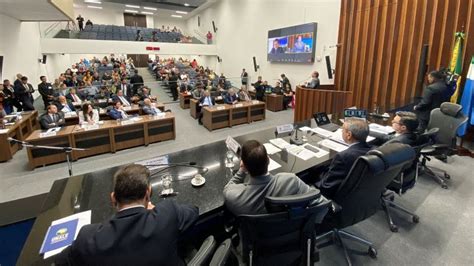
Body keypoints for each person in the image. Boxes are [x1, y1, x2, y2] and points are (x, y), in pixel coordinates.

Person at [55, 164, 199, 265]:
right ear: (148, 193)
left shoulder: (88, 238)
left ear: (113, 198)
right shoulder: (167, 214)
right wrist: (155, 210)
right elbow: (193, 211)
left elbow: (60, 261)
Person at [223, 140, 319, 216]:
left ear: (245, 166)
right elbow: (320, 202)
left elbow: (228, 187)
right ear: (268, 161)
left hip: (256, 239)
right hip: (291, 236)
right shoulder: (290, 180)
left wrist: (241, 170)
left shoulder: (234, 196)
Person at [316, 118, 371, 199]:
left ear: (349, 135)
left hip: (336, 198)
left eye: (342, 130)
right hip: (361, 195)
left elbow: (326, 188)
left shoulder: (343, 157)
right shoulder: (373, 150)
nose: (341, 132)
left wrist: (316, 175)